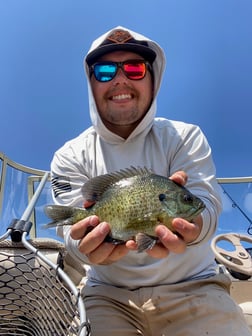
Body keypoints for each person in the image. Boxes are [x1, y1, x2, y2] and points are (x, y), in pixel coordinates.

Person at [50, 26, 251, 335]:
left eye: (134, 68)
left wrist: (195, 227)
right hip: (106, 294)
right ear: (90, 83)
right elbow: (71, 237)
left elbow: (205, 204)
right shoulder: (70, 155)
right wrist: (83, 246)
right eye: (104, 70)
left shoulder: (185, 136)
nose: (120, 79)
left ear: (153, 77)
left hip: (195, 287)